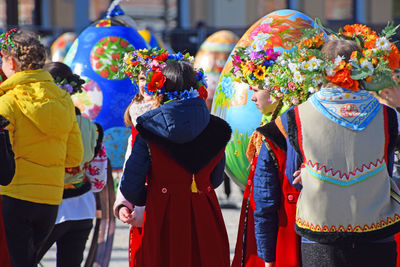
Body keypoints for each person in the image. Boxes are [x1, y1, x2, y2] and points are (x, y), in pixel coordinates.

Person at [279, 25, 400, 266]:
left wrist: (309, 174)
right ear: (362, 70)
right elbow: (389, 165)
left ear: (322, 70)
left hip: (321, 231)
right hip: (376, 228)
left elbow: (291, 171)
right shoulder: (389, 116)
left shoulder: (296, 116)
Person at [119, 58, 231, 266]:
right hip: (204, 210)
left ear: (161, 89)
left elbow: (130, 186)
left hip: (163, 213)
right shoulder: (218, 128)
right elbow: (215, 179)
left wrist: (154, 193)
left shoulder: (148, 128)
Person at [0, 29, 83, 267]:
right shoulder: (64, 100)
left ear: (12, 62)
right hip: (50, 197)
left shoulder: (8, 102)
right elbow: (74, 156)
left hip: (16, 194)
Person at [36, 62, 107, 267]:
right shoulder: (92, 128)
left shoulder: (37, 123)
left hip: (46, 205)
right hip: (82, 207)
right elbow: (98, 181)